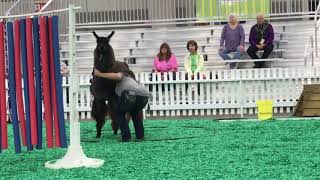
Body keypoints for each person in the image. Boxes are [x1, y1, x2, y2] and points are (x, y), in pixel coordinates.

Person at [93, 69, 149, 142]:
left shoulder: (122, 76)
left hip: (131, 95)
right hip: (144, 96)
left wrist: (100, 74)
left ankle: (126, 136)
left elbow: (118, 76)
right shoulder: (131, 80)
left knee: (119, 113)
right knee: (135, 113)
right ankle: (140, 136)